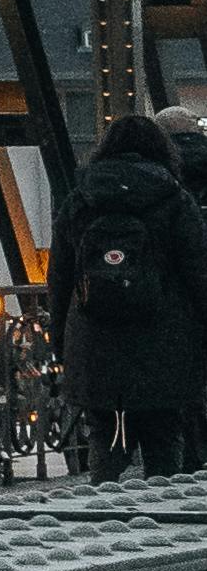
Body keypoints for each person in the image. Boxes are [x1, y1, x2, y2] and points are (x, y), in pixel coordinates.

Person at [50, 111, 207, 479]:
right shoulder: (174, 200)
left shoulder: (80, 200)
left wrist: (61, 342)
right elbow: (199, 274)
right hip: (165, 345)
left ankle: (101, 516)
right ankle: (162, 520)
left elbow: (58, 280)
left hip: (95, 342)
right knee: (163, 444)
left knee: (106, 440)